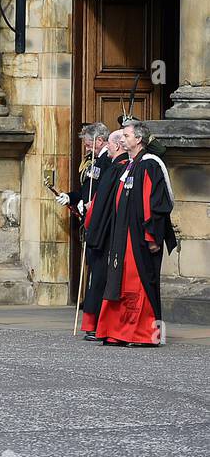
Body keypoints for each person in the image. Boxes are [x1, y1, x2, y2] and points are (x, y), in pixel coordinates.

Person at [94, 120, 177, 347]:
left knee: (138, 285)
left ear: (139, 139)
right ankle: (117, 331)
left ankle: (144, 335)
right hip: (123, 236)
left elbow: (155, 205)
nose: (123, 139)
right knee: (119, 284)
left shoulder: (150, 165)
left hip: (140, 238)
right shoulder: (130, 165)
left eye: (127, 135)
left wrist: (152, 237)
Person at [79, 129, 127, 338]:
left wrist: (91, 222)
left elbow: (101, 202)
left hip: (107, 231)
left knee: (100, 278)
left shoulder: (116, 167)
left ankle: (98, 324)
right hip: (108, 229)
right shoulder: (112, 165)